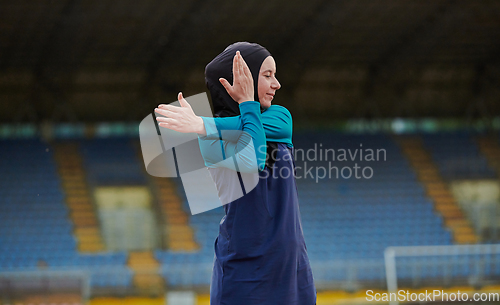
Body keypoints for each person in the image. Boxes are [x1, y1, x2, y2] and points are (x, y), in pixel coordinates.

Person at [155, 42, 316, 305]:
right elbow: (254, 156)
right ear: (240, 81)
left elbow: (248, 129)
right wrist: (245, 104)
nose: (277, 84)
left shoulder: (280, 117)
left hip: (293, 265)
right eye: (267, 75)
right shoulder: (208, 141)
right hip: (245, 271)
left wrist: (204, 123)